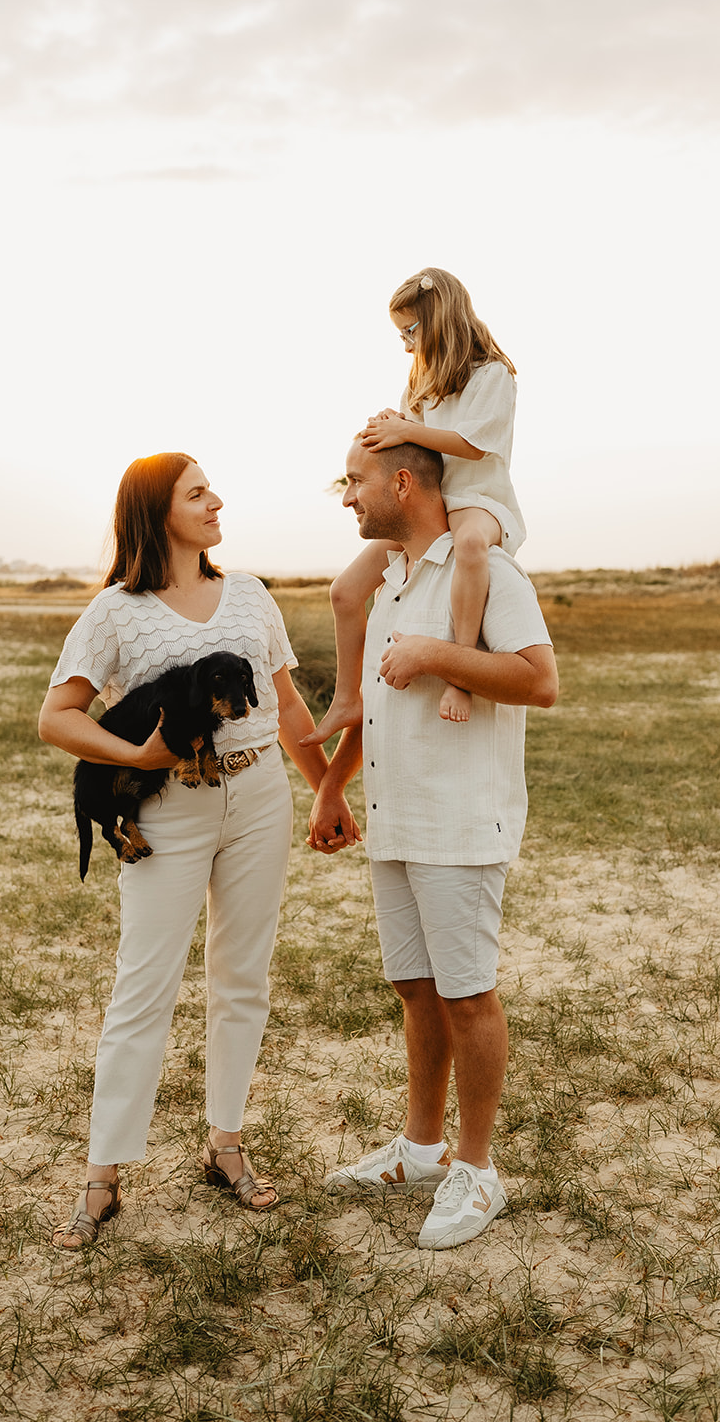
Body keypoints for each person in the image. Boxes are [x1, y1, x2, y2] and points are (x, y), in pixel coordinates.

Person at [39, 452, 359, 1249]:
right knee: (142, 986)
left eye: (210, 489)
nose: (216, 501)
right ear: (157, 513)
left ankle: (225, 1144)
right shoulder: (114, 613)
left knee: (240, 977)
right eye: (196, 493)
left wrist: (324, 790)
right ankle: (102, 1176)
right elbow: (57, 718)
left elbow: (286, 706)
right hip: (169, 811)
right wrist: (141, 758)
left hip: (257, 799)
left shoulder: (248, 595)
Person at [306, 437, 557, 1249]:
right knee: (415, 988)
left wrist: (436, 654)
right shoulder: (388, 580)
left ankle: (478, 1174)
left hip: (459, 820)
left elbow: (538, 680)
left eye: (357, 480)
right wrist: (332, 786)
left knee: (466, 995)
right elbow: (377, 706)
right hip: (398, 818)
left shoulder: (488, 571)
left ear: (403, 481)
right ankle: (419, 1150)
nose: (347, 496)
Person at [306, 267, 524, 739]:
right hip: (434, 500)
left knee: (469, 547)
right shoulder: (422, 381)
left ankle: (459, 674)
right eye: (399, 334)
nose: (405, 344)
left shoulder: (492, 375)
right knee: (344, 590)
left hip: (476, 499)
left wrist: (405, 428)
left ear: (439, 318)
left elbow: (472, 443)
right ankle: (347, 699)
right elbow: (414, 445)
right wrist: (390, 421)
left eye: (410, 330)